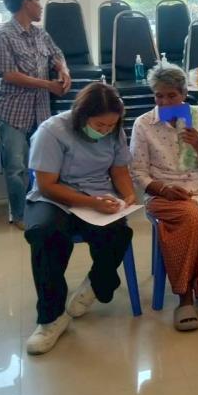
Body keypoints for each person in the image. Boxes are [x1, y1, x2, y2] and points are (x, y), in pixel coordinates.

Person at [23, 83, 134, 355]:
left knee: (119, 233)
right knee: (45, 234)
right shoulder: (52, 131)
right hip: (55, 198)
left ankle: (95, 283)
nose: (106, 131)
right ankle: (51, 319)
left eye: (111, 126)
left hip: (97, 194)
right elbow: (47, 185)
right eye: (100, 125)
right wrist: (92, 203)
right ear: (81, 116)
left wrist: (128, 195)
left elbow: (119, 170)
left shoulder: (114, 130)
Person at [130, 64, 198, 332]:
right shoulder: (144, 124)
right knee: (191, 217)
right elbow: (137, 172)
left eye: (172, 95)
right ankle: (185, 296)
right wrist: (163, 189)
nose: (165, 102)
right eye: (159, 96)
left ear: (183, 94)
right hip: (162, 190)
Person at [0, 0, 71, 230]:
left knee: (46, 162)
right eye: (37, 0)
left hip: (40, 110)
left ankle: (46, 206)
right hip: (13, 110)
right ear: (25, 3)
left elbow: (57, 54)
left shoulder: (40, 34)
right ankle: (20, 214)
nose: (40, 6)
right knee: (16, 167)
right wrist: (48, 85)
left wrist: (63, 71)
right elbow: (8, 74)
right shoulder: (2, 36)